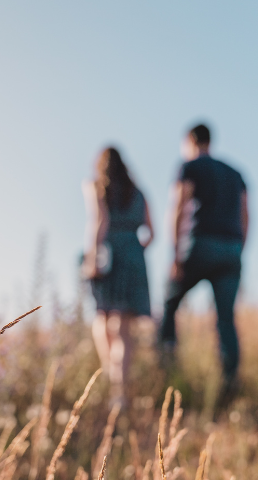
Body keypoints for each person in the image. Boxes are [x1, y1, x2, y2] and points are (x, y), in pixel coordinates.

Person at [158, 123, 249, 414]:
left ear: (191, 141)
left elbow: (178, 207)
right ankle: (230, 382)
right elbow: (246, 215)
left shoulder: (189, 166)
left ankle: (167, 371)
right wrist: (239, 250)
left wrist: (175, 254)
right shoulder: (236, 174)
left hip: (200, 245)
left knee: (170, 304)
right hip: (231, 249)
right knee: (225, 318)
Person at [83, 147, 154, 406]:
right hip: (134, 255)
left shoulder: (95, 186)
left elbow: (98, 220)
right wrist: (134, 252)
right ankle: (120, 393)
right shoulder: (139, 192)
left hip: (108, 254)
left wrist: (92, 257)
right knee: (124, 329)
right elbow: (151, 232)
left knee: (102, 317)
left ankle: (110, 379)